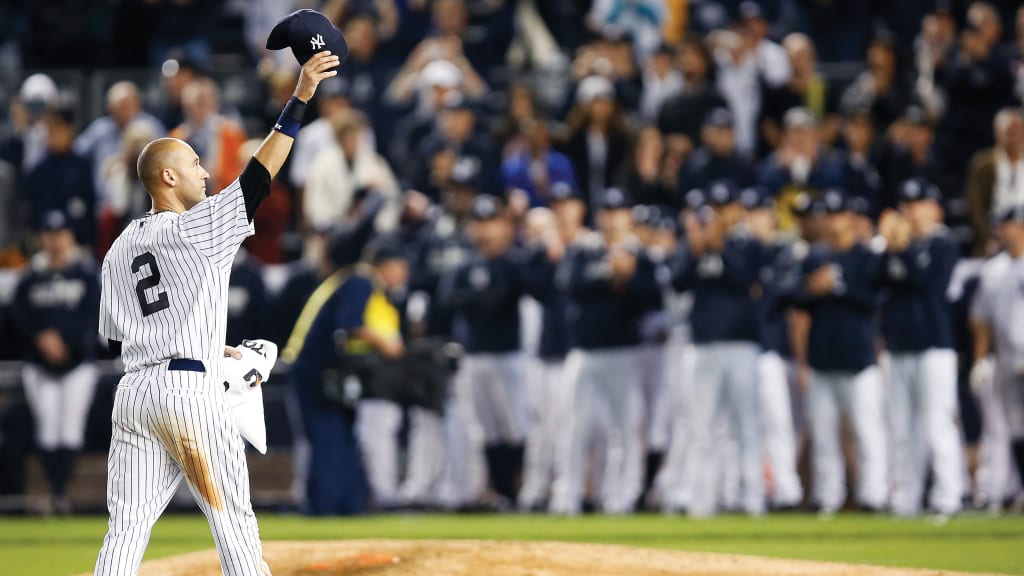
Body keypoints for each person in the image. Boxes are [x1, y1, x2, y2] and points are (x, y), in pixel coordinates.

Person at [94, 49, 340, 574]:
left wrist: (193, 345)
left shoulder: (118, 247)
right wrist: (299, 97)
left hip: (135, 393)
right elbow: (258, 178)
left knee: (127, 529)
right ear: (165, 178)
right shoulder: (195, 228)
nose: (206, 173)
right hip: (188, 393)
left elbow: (116, 338)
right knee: (233, 521)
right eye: (194, 164)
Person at [550, 188, 660, 515]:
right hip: (584, 352)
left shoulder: (640, 255)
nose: (613, 218)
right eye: (608, 212)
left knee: (626, 428)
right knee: (573, 427)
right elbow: (568, 285)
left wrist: (628, 279)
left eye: (619, 211)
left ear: (629, 216)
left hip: (625, 352)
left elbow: (651, 298)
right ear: (599, 217)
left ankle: (622, 496)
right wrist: (610, 274)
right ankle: (566, 496)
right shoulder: (584, 251)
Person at [672, 180, 764, 517]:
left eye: (726, 207)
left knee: (746, 426)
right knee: (701, 428)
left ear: (736, 210)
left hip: (742, 345)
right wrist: (696, 249)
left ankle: (752, 498)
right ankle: (701, 501)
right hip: (703, 346)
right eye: (716, 207)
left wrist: (719, 246)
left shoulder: (747, 244)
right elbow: (676, 282)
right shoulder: (694, 243)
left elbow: (745, 279)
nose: (721, 214)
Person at [795, 188, 887, 515]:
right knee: (823, 434)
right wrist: (810, 288)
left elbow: (874, 300)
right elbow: (792, 298)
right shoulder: (814, 257)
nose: (833, 222)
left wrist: (838, 286)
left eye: (839, 215)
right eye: (829, 215)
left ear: (851, 218)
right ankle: (827, 497)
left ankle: (873, 495)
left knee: (866, 430)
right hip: (822, 358)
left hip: (859, 358)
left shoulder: (866, 257)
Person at [879, 179, 963, 517]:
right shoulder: (893, 246)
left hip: (934, 346)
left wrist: (903, 250)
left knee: (936, 424)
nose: (911, 212)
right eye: (907, 205)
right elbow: (874, 282)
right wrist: (891, 248)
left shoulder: (944, 244)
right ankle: (906, 499)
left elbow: (931, 285)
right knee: (901, 428)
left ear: (936, 209)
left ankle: (949, 496)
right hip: (899, 346)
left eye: (919, 204)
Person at [440, 195, 530, 505]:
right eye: (479, 223)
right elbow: (448, 298)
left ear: (503, 225)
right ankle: (505, 493)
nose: (485, 230)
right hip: (474, 355)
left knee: (516, 426)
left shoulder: (514, 261)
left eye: (491, 222)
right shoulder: (465, 262)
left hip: (509, 354)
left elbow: (498, 300)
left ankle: (523, 489)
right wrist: (483, 298)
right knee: (487, 429)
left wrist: (480, 298)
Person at [9, 211, 100, 514]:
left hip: (78, 363)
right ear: (42, 239)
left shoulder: (85, 273)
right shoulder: (31, 277)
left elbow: (92, 315)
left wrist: (64, 340)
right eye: (49, 234)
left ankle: (60, 492)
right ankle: (55, 491)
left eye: (60, 233)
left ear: (69, 236)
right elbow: (17, 316)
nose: (55, 240)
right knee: (48, 428)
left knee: (70, 428)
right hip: (39, 364)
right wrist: (41, 338)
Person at [970, 204, 1024, 513]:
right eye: (1006, 225)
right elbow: (981, 319)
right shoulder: (994, 269)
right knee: (1014, 429)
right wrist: (980, 359)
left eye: (1015, 224)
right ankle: (1015, 491)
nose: (1010, 230)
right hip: (1006, 358)